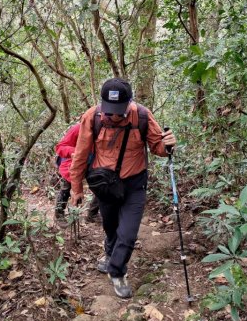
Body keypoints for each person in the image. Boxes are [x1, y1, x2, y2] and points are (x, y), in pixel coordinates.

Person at [69, 78, 176, 298]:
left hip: (134, 182)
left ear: (129, 103)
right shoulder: (92, 117)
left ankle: (117, 271)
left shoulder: (143, 116)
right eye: (110, 110)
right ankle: (109, 253)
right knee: (110, 227)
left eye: (119, 111)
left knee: (127, 234)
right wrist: (76, 187)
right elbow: (80, 154)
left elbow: (158, 147)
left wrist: (168, 145)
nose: (114, 116)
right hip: (104, 184)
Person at [54, 122, 100, 226]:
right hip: (72, 163)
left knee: (101, 186)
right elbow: (60, 147)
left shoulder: (105, 130)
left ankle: (92, 214)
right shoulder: (78, 128)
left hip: (93, 163)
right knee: (66, 188)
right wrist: (76, 152)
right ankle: (59, 215)